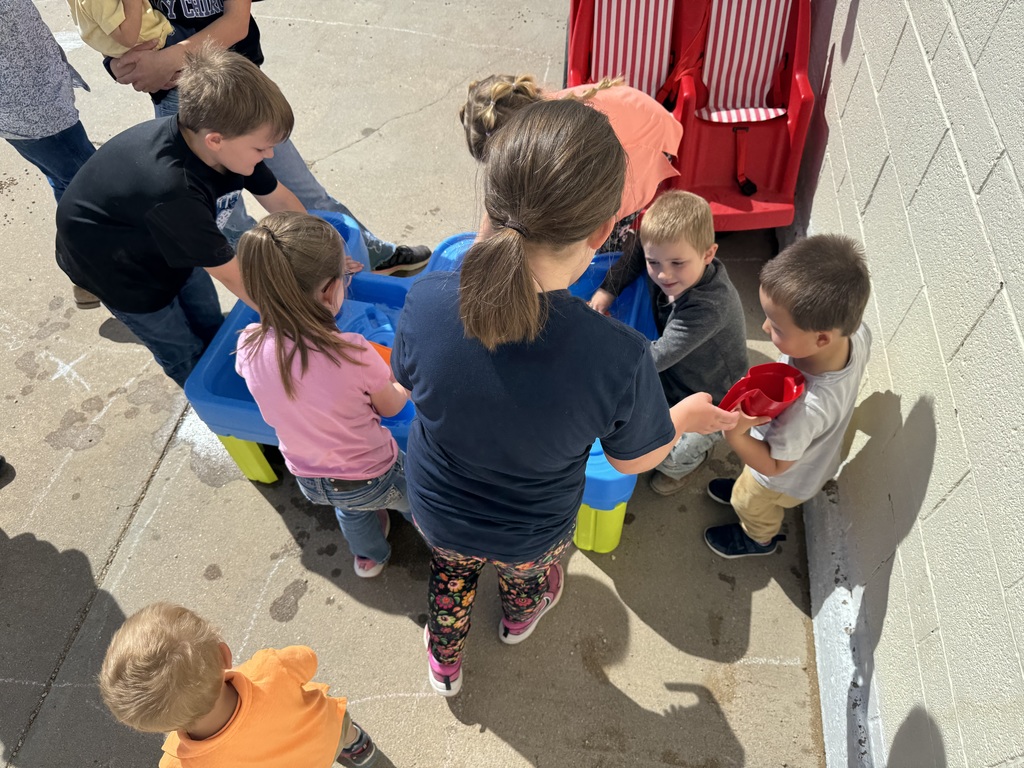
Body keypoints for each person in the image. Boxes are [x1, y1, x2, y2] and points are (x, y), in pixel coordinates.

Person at [392, 99, 738, 697]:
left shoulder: (425, 301)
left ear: (490, 205)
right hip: (532, 527)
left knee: (449, 576)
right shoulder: (618, 355)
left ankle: (445, 663)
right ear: (606, 232)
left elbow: (405, 387)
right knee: (529, 578)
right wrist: (680, 417)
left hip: (435, 508)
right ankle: (519, 617)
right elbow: (632, 461)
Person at [106, 0, 430, 272]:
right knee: (228, 220)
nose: (267, 155)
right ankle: (272, 286)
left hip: (243, 97)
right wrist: (120, 64)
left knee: (303, 192)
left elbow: (237, 22)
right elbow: (108, 34)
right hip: (180, 107)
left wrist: (166, 60)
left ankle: (370, 254)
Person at [55, 44, 305, 387]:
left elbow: (281, 200)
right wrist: (299, 324)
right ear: (215, 140)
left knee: (207, 319)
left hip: (162, 237)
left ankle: (223, 368)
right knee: (182, 350)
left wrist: (325, 249)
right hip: (119, 268)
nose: (270, 154)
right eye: (262, 148)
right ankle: (209, 395)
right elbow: (234, 276)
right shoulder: (175, 193)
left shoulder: (229, 149)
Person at [235, 211, 410, 578]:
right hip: (373, 471)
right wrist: (407, 377)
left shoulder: (248, 343)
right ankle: (438, 538)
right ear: (330, 291)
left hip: (311, 478)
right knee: (414, 496)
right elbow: (391, 406)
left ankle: (369, 558)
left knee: (349, 511)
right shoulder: (353, 351)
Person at [704, 234, 872, 558]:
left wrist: (735, 436)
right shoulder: (855, 333)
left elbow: (774, 465)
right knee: (746, 481)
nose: (765, 328)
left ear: (821, 338)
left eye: (778, 327)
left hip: (780, 479)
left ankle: (758, 538)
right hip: (808, 457)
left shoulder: (807, 408)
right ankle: (744, 487)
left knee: (747, 501)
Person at [590, 191, 749, 495]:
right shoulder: (668, 259)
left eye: (677, 262)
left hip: (711, 395)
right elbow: (637, 248)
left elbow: (655, 357)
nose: (664, 273)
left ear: (708, 253)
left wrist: (596, 362)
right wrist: (608, 290)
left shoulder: (709, 306)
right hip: (677, 372)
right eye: (655, 262)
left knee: (666, 458)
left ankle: (690, 461)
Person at [99, 602, 378, 767]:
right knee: (342, 727)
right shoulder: (269, 669)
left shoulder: (178, 764)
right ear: (224, 655)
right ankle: (356, 745)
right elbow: (307, 659)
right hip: (324, 737)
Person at [459, 73, 682, 252]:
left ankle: (614, 258)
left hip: (645, 145)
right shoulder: (539, 110)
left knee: (596, 235)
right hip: (638, 115)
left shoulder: (572, 149)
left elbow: (581, 212)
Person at [1, 0, 100, 308]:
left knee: (67, 183)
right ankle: (89, 273)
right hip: (33, 109)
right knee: (97, 188)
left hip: (33, 100)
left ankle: (87, 278)